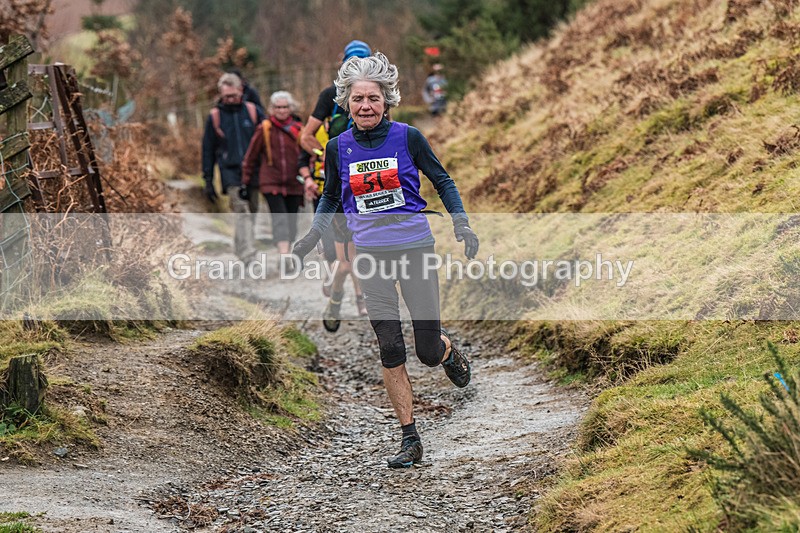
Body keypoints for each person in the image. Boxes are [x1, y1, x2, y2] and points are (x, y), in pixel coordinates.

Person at [292, 52, 479, 468]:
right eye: (357, 99)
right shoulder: (338, 148)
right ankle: (410, 438)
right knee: (390, 347)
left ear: (386, 100)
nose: (365, 106)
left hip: (414, 250)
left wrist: (461, 224)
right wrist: (313, 235)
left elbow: (443, 180)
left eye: (373, 98)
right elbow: (330, 197)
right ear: (346, 102)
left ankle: (448, 352)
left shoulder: (409, 137)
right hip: (371, 256)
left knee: (426, 350)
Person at [299, 39, 373, 328]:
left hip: (366, 178)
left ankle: (350, 295)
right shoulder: (330, 94)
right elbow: (306, 136)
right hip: (337, 179)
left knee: (355, 250)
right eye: (350, 65)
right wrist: (324, 156)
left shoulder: (376, 94)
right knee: (344, 253)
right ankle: (350, 296)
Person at [202, 73, 265, 264]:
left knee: (252, 211)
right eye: (226, 96)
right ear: (221, 94)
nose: (230, 100)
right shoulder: (215, 117)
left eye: (233, 95)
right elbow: (208, 149)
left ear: (240, 91)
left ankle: (241, 248)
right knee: (242, 210)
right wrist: (208, 180)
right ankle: (248, 254)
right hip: (230, 171)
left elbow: (268, 139)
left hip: (254, 170)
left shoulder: (253, 112)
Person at [241, 91, 305, 264]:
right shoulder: (265, 128)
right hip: (271, 182)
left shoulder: (299, 129)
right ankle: (284, 256)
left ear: (290, 108)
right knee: (280, 219)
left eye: (285, 107)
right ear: (272, 109)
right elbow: (251, 157)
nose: (282, 111)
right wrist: (245, 182)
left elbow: (307, 155)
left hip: (294, 182)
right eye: (278, 107)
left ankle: (287, 252)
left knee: (292, 221)